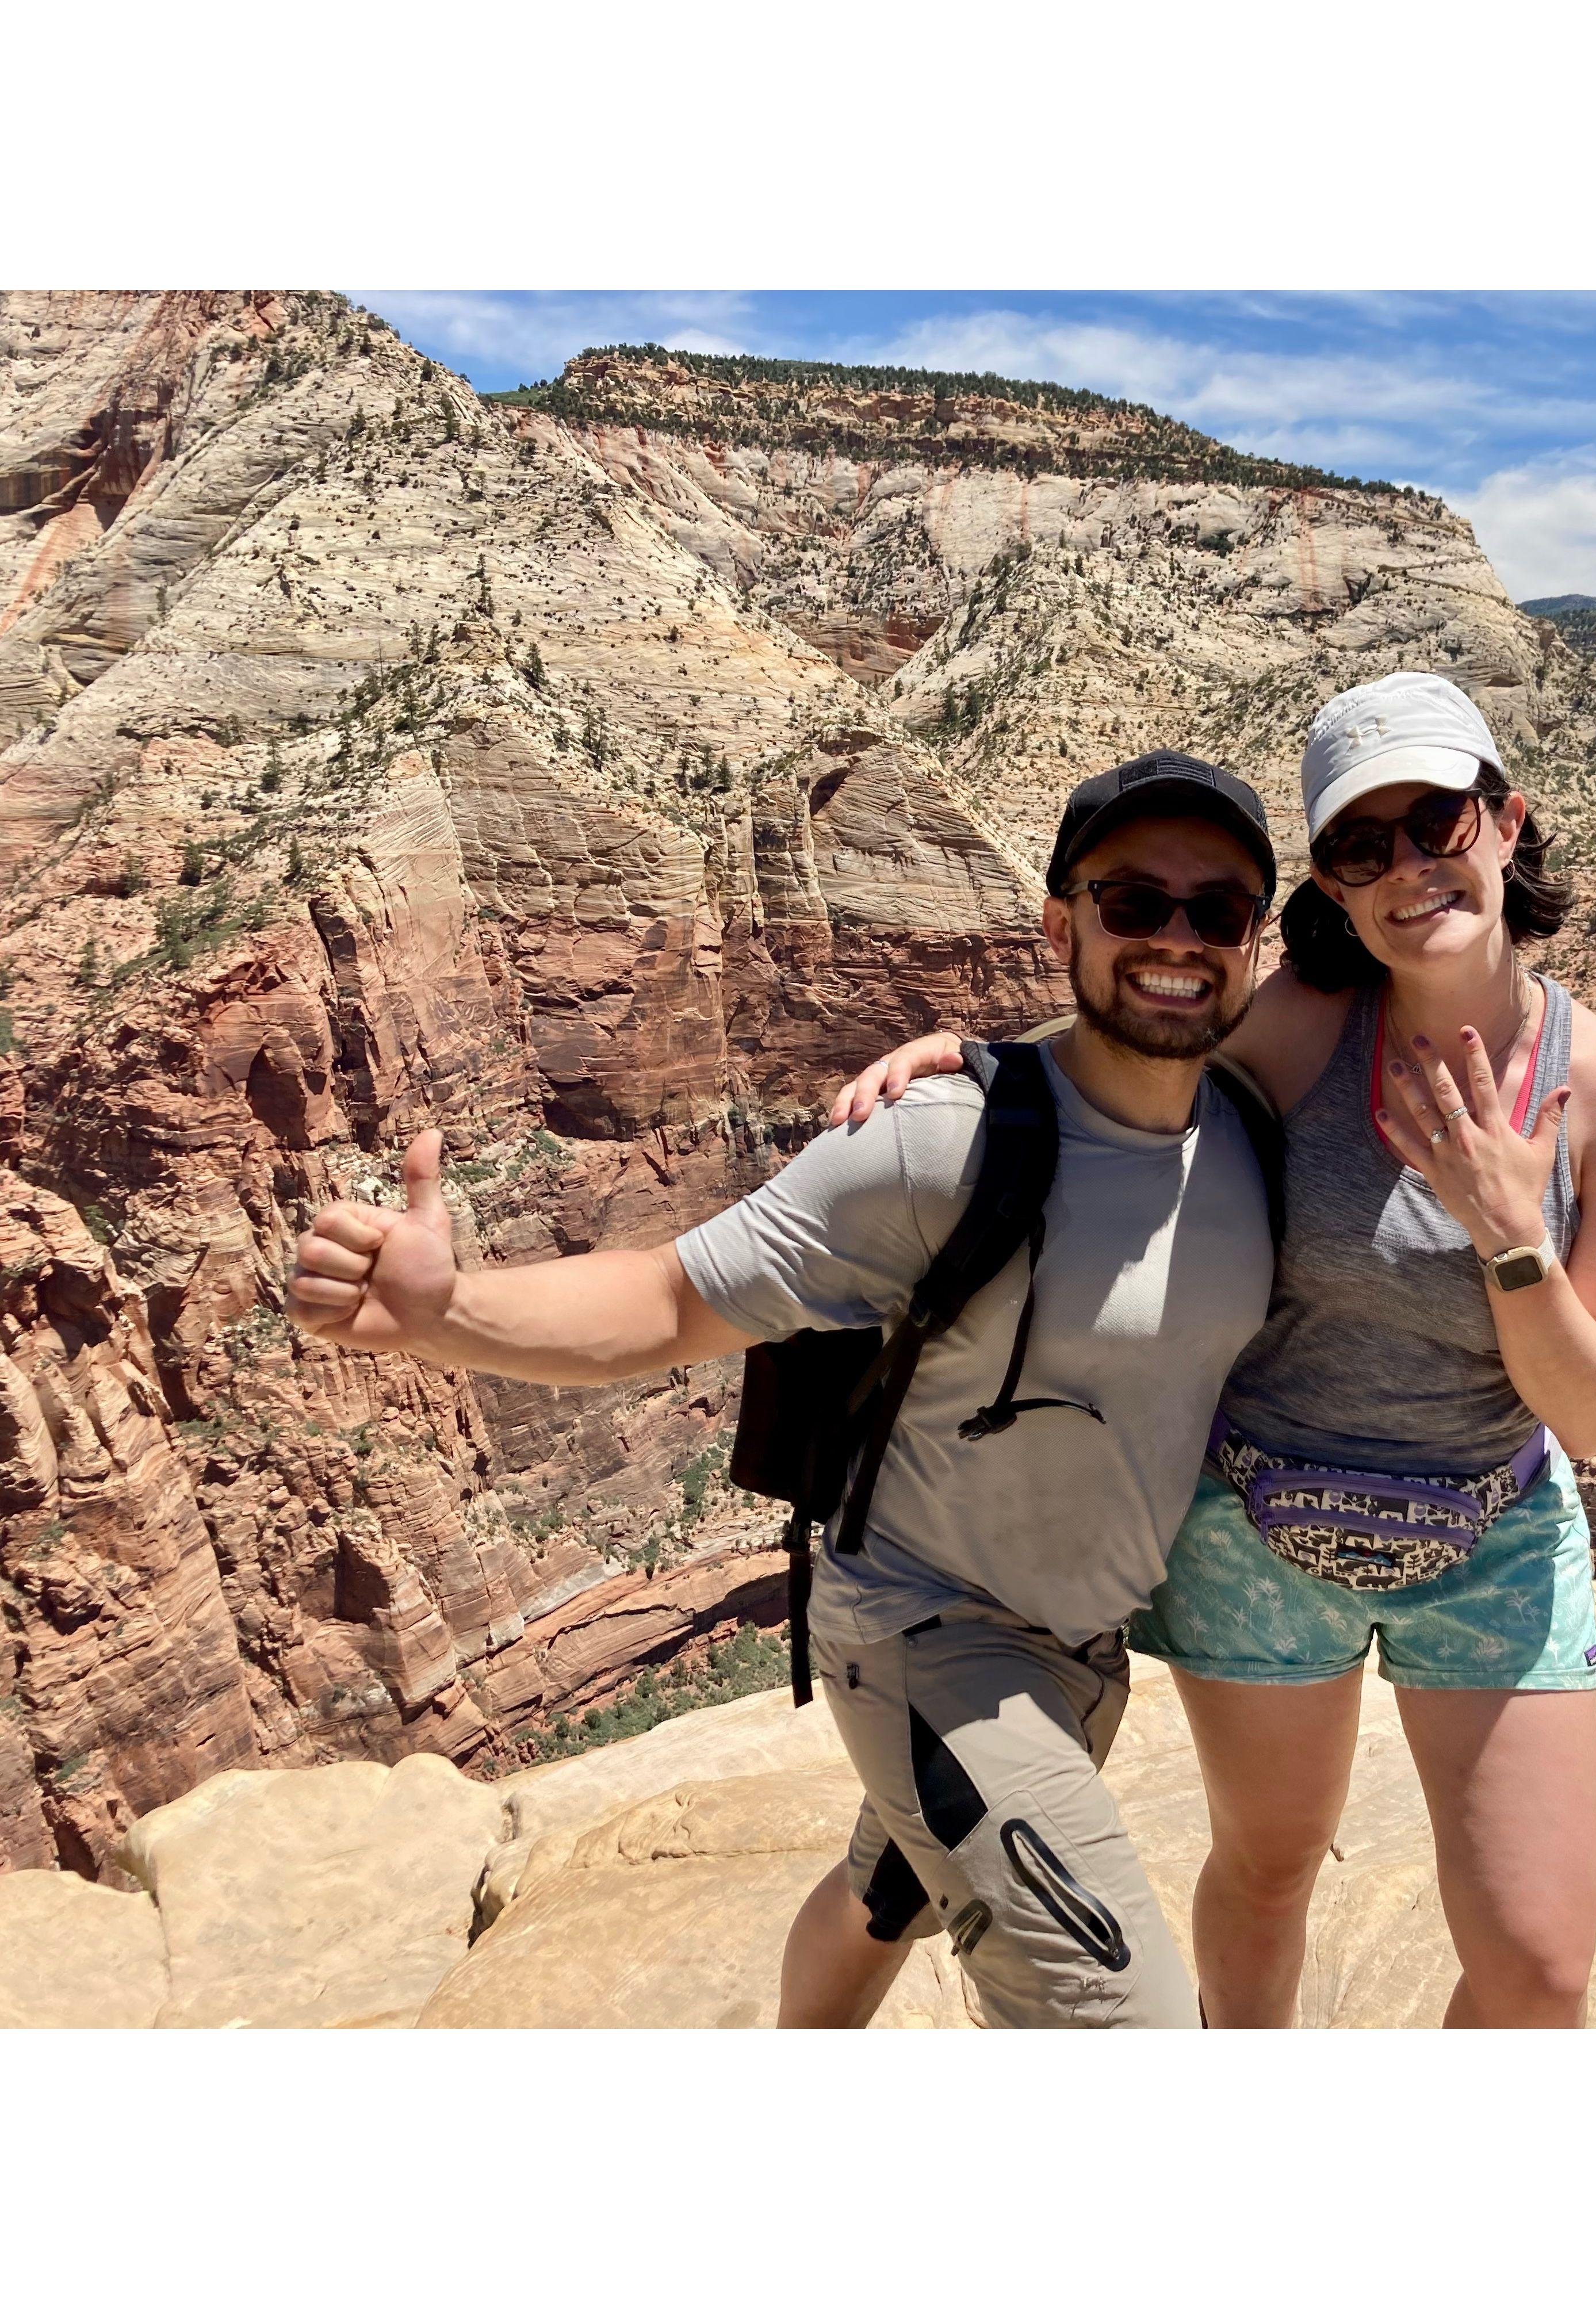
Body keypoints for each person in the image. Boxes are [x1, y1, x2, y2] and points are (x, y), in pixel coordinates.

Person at [286, 751, 1283, 2030]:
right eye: (1133, 903)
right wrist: (448, 1312)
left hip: (1081, 1652)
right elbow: (668, 1299)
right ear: (1061, 923)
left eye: (1221, 912)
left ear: (1260, 940)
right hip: (931, 1639)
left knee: (891, 1894)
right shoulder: (937, 1145)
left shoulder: (1255, 1128)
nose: (1177, 941)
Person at [826, 671, 1596, 2026]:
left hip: (1494, 1533)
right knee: (1274, 1865)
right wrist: (971, 1062)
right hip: (1259, 1527)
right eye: (1361, 845)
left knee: (1538, 1967)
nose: (1408, 868)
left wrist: (1512, 1234)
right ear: (1331, 884)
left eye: (1439, 823)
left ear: (1508, 824)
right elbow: (1122, 1050)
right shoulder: (1297, 1032)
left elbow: (1592, 1418)